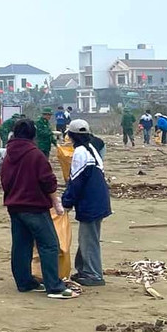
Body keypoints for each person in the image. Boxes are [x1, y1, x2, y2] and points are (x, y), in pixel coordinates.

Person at [2, 120, 76, 298]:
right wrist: (56, 202)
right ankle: (54, 287)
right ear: (33, 134)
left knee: (21, 245)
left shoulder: (8, 154)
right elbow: (47, 180)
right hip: (34, 207)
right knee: (49, 244)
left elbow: (4, 179)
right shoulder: (35, 154)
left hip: (14, 206)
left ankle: (24, 283)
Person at [60, 120, 111, 286]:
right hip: (98, 198)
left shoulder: (80, 152)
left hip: (91, 202)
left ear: (71, 136)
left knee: (89, 239)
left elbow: (76, 181)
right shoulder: (91, 148)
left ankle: (94, 274)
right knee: (87, 237)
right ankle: (83, 269)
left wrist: (66, 202)